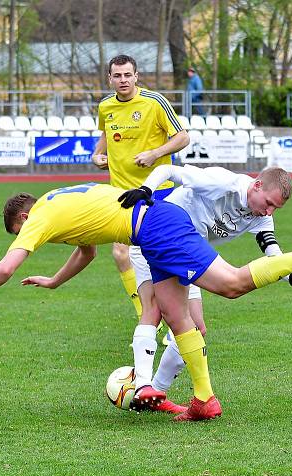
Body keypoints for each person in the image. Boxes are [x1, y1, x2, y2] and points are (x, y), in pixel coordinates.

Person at [0, 183, 292, 421]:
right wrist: (52, 282)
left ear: (25, 215)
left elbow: (6, 267)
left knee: (231, 284)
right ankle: (204, 399)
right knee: (176, 317)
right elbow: (86, 252)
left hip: (158, 224)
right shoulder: (58, 201)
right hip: (150, 229)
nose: (27, 234)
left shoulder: (40, 217)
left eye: (21, 228)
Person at [121, 165, 292, 415]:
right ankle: (142, 385)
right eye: (269, 203)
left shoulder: (261, 215)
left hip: (187, 253)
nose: (269, 212)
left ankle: (156, 394)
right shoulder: (223, 183)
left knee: (196, 328)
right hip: (155, 237)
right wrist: (145, 189)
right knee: (155, 310)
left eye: (275, 208)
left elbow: (272, 254)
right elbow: (168, 170)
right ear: (257, 185)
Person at [91, 54, 190, 324]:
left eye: (127, 75)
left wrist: (155, 153)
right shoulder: (105, 106)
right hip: (120, 192)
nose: (122, 80)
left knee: (161, 256)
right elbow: (105, 136)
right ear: (109, 78)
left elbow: (182, 137)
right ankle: (143, 312)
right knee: (120, 253)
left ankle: (181, 311)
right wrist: (97, 155)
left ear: (136, 76)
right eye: (117, 76)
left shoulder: (155, 102)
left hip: (158, 191)